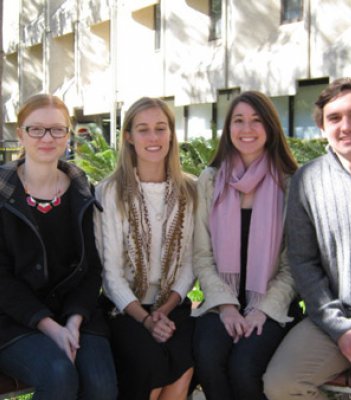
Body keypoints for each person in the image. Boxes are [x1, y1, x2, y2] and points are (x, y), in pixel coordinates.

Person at [264, 77, 351, 400]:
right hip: (335, 320)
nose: (346, 126)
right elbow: (303, 261)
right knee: (282, 385)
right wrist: (339, 328)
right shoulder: (306, 181)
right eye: (334, 118)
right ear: (323, 129)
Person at [0, 94, 117, 400]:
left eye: (57, 129)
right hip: (14, 319)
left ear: (68, 135)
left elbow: (92, 269)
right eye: (36, 129)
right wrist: (50, 327)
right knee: (58, 374)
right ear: (21, 133)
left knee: (102, 386)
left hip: (76, 313)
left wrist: (74, 321)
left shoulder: (82, 191)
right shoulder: (3, 192)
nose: (46, 138)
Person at [193, 90, 300, 400]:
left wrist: (262, 312)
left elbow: (294, 263)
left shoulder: (290, 182)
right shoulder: (211, 180)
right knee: (209, 359)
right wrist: (226, 307)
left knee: (244, 367)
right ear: (228, 129)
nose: (247, 129)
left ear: (270, 127)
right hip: (221, 301)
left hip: (271, 304)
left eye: (256, 120)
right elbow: (201, 254)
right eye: (238, 120)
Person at [94, 97, 197, 400]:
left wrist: (163, 311)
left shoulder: (189, 190)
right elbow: (110, 275)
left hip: (172, 304)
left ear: (171, 134)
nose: (153, 138)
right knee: (149, 365)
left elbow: (191, 262)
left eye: (160, 128)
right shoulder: (110, 192)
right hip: (125, 308)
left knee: (187, 360)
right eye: (143, 129)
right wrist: (146, 318)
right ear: (128, 137)